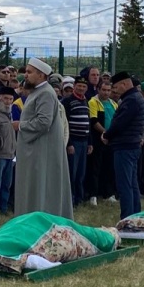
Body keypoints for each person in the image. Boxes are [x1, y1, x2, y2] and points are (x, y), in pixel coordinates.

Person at [13, 57, 72, 219]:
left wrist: (21, 125)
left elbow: (43, 122)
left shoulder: (45, 93)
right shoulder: (37, 92)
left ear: (41, 75)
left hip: (41, 152)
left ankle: (38, 221)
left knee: (40, 188)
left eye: (29, 72)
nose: (25, 75)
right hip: (35, 151)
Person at [104, 72, 144, 220]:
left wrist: (106, 135)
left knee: (125, 185)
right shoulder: (137, 98)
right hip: (133, 145)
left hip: (125, 146)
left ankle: (127, 218)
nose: (114, 90)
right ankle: (136, 215)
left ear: (124, 84)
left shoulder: (131, 101)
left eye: (115, 87)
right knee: (132, 183)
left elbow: (119, 123)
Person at [62, 78, 91, 206]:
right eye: (79, 86)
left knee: (81, 173)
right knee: (72, 173)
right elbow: (65, 123)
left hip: (84, 142)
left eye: (83, 87)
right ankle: (71, 198)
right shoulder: (67, 102)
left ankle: (80, 197)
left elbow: (88, 122)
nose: (81, 88)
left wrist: (90, 142)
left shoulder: (86, 101)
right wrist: (69, 143)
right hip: (74, 142)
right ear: (74, 86)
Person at [87, 80, 117, 203]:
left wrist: (112, 135)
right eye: (103, 90)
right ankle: (93, 194)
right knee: (95, 167)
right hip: (98, 140)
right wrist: (105, 133)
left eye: (108, 90)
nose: (106, 93)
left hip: (111, 140)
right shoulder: (93, 102)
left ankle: (108, 194)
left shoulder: (114, 104)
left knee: (109, 167)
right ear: (98, 89)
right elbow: (94, 121)